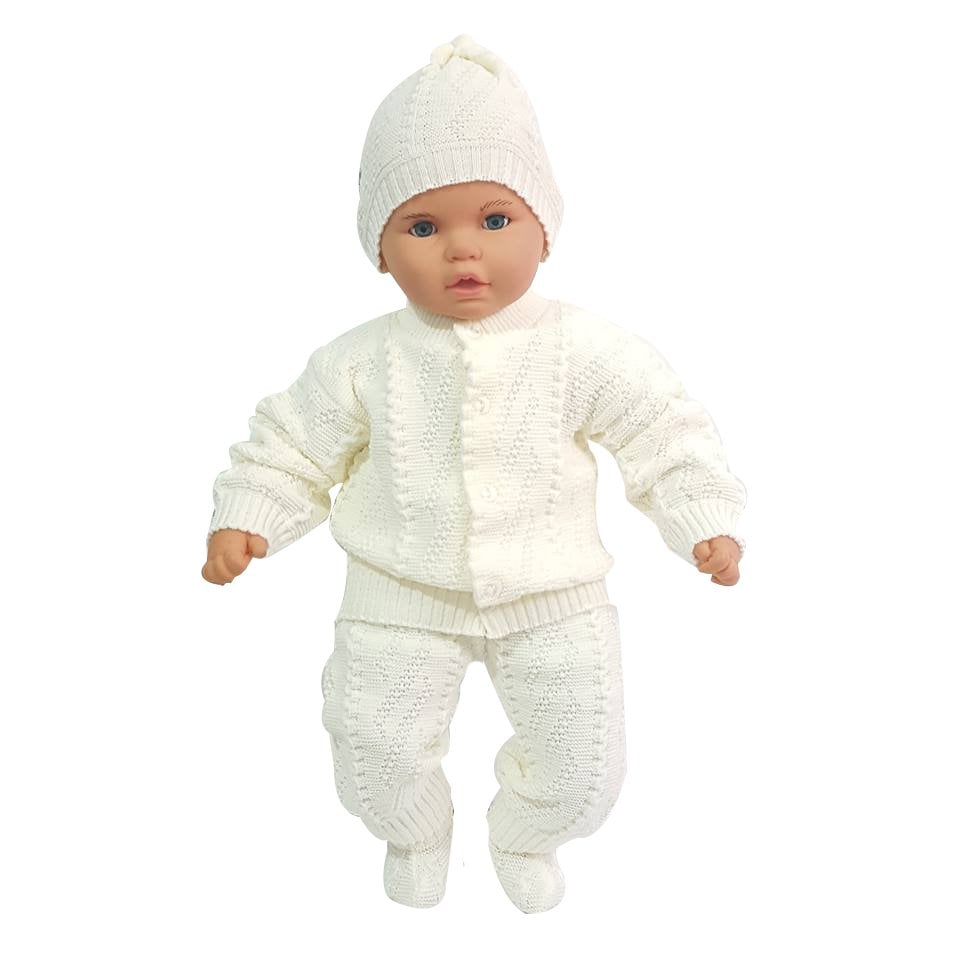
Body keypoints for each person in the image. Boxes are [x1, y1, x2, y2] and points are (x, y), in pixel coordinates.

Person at [201, 34, 747, 913]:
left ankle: (525, 833)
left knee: (585, 767)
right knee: (372, 753)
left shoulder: (584, 348)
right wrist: (251, 513)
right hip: (398, 589)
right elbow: (292, 442)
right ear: (381, 250)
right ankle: (417, 832)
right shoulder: (361, 360)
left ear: (545, 231)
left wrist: (701, 517)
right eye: (423, 227)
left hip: (554, 591)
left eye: (496, 221)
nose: (464, 251)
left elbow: (663, 428)